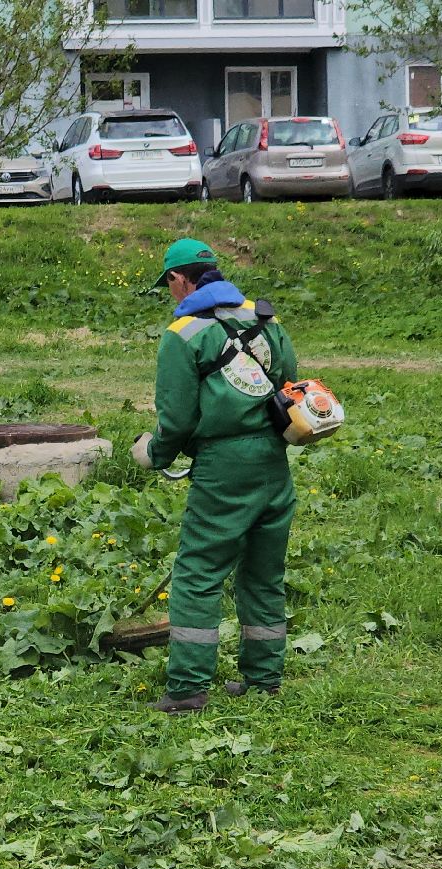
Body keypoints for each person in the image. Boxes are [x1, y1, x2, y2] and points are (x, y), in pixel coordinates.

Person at [130, 238, 300, 713]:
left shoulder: (183, 334)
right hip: (273, 462)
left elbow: (178, 419)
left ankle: (187, 689)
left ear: (178, 279)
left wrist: (155, 452)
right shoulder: (267, 319)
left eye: (168, 285)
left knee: (198, 574)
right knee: (264, 574)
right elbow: (288, 386)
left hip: (223, 468)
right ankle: (264, 679)